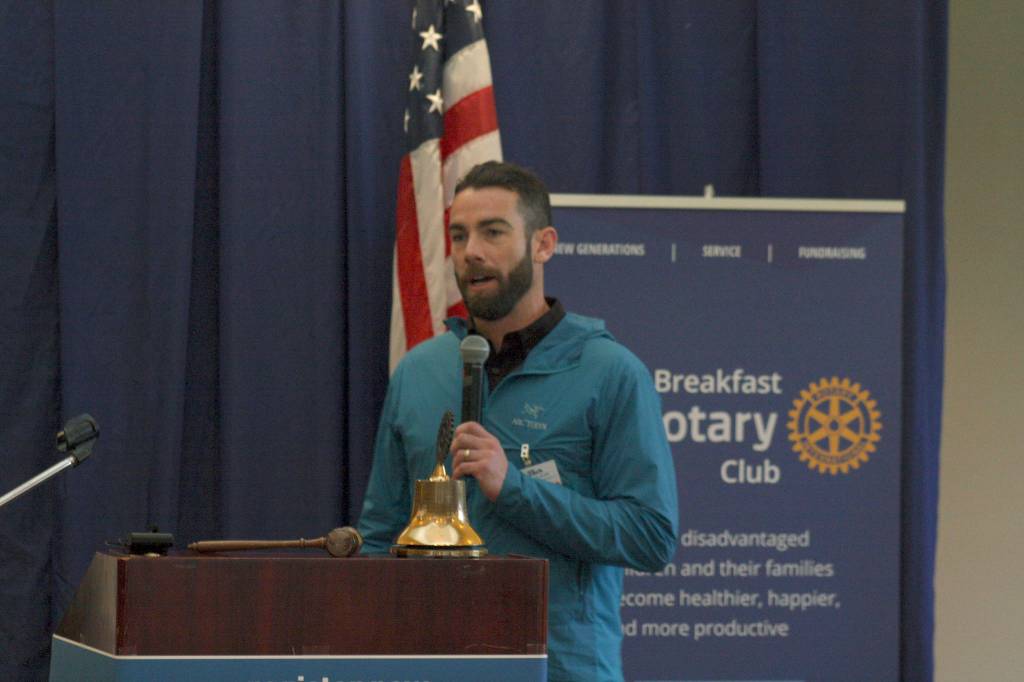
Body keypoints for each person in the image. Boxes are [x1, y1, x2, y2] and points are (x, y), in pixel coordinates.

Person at [358, 161, 678, 681]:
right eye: (459, 236)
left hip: (560, 669)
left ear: (543, 244)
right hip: (434, 665)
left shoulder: (610, 373)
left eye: (493, 232)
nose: (471, 251)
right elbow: (378, 539)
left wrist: (513, 489)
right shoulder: (418, 372)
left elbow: (650, 536)